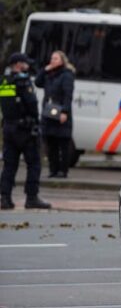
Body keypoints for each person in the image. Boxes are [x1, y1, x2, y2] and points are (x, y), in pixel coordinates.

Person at [0, 53, 50, 210]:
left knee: (9, 166)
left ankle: (5, 198)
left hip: (8, 128)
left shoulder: (4, 81)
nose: (28, 66)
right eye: (25, 63)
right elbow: (32, 105)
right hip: (25, 130)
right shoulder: (23, 81)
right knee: (34, 164)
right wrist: (35, 120)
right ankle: (32, 197)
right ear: (17, 65)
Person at [35, 50, 75, 178]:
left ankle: (63, 171)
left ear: (62, 61)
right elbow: (37, 82)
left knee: (62, 144)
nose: (52, 61)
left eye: (56, 58)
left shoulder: (67, 75)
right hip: (48, 114)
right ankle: (53, 170)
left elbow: (68, 95)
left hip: (61, 114)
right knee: (51, 144)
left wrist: (65, 111)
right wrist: (44, 70)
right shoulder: (48, 74)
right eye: (52, 58)